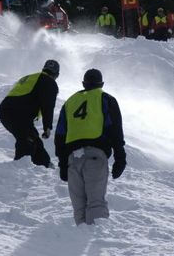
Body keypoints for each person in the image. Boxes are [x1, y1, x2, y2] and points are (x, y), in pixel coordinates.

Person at [54, 69, 126, 226]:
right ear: (101, 84)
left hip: (73, 160)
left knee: (79, 208)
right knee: (95, 203)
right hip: (95, 156)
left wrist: (62, 164)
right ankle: (95, 241)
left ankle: (80, 237)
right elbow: (115, 129)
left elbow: (60, 135)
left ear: (83, 84)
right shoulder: (106, 99)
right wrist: (120, 158)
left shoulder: (70, 102)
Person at [0, 60, 60, 168]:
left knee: (33, 138)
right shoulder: (50, 83)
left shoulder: (31, 77)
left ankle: (45, 165)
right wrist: (47, 127)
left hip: (6, 110)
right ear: (57, 75)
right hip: (18, 113)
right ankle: (20, 167)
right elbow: (48, 106)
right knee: (27, 139)